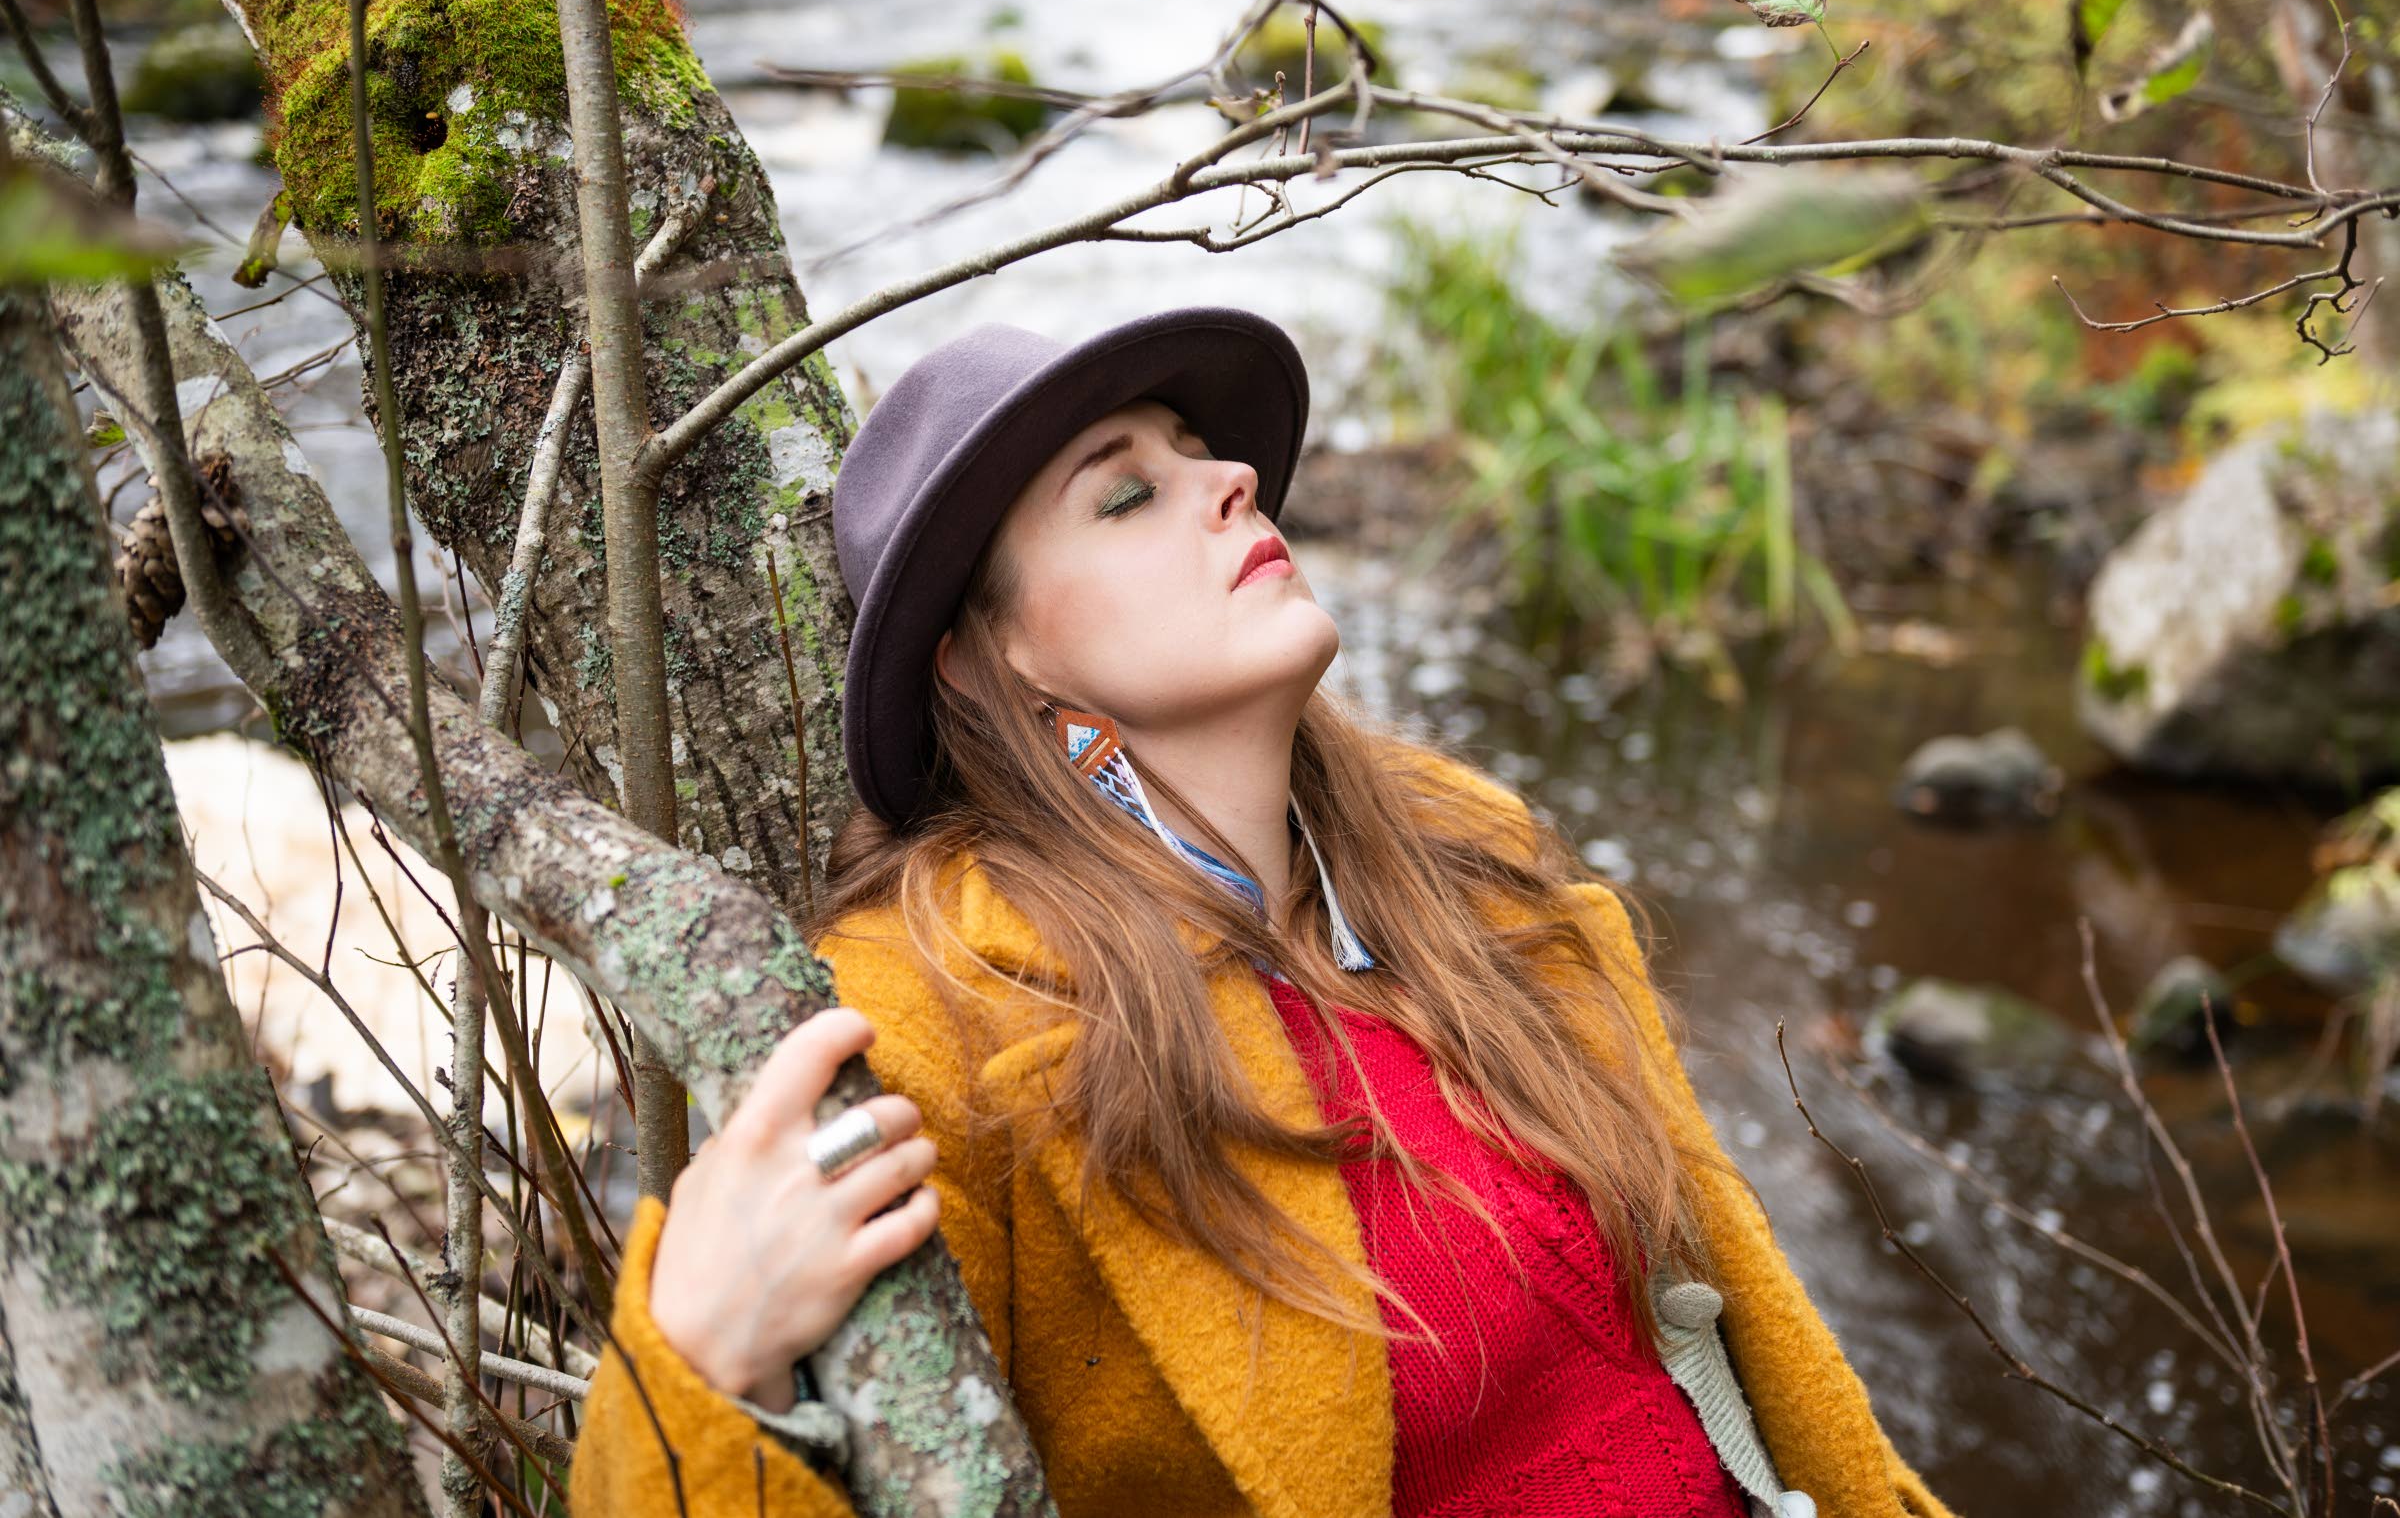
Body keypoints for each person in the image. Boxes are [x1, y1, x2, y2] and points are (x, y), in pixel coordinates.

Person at [566, 308, 1956, 1518]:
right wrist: (702, 1365)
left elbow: (1746, 1360)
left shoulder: (1461, 854)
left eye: (1200, 453)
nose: (1233, 478)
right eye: (1128, 494)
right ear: (991, 661)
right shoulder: (934, 1019)